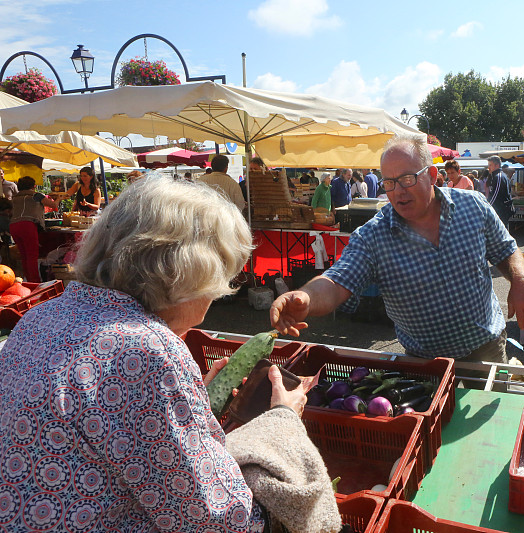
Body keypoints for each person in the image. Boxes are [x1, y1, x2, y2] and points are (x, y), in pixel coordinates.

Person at [0, 175, 338, 532]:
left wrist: (185, 403)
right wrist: (282, 421)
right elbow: (221, 521)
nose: (219, 293)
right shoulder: (146, 351)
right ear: (191, 272)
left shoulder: (41, 317)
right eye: (224, 279)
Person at [270, 135, 524, 386]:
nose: (398, 191)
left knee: (489, 431)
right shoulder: (374, 235)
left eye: (408, 178)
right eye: (389, 182)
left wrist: (520, 280)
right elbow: (337, 280)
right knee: (433, 429)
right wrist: (304, 297)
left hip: (486, 348)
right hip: (423, 361)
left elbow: (505, 249)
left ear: (432, 175)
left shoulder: (473, 206)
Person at [8, 176, 62, 282]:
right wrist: (59, 198)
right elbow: (53, 205)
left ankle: (28, 280)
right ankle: (35, 282)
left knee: (24, 255)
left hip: (13, 225)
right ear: (34, 186)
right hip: (27, 225)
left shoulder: (15, 197)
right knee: (32, 255)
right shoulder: (36, 195)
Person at [486, 155, 514, 227]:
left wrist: (487, 207)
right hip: (501, 209)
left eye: (490, 165)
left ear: (497, 165)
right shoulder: (499, 176)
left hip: (501, 210)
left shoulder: (498, 176)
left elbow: (495, 194)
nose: (488, 167)